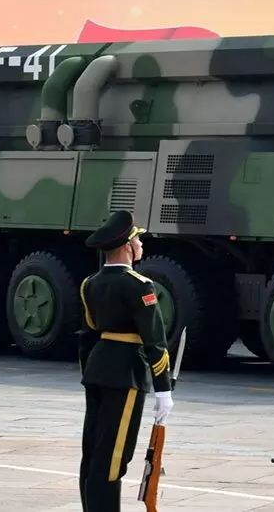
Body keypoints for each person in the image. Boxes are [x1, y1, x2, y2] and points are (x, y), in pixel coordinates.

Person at [77, 210, 174, 512]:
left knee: (93, 451)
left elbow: (88, 335)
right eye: (138, 239)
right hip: (126, 373)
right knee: (113, 457)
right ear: (127, 247)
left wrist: (90, 371)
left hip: (97, 370)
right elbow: (154, 340)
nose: (141, 244)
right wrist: (163, 389)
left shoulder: (90, 283)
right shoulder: (139, 285)